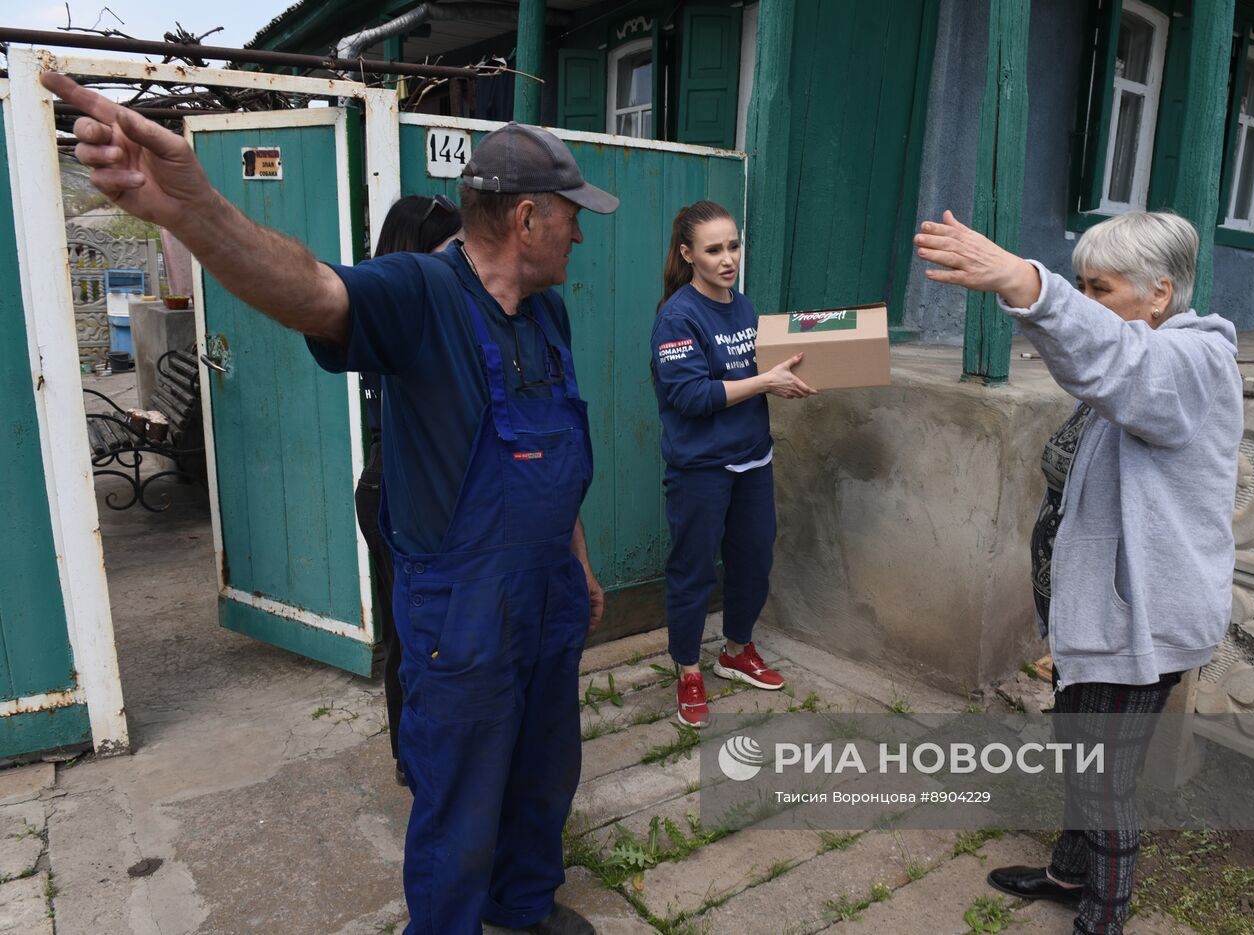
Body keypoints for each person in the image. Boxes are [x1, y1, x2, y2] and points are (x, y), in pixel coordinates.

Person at [44, 69, 616, 935]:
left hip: (545, 591)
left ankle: (523, 903)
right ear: (528, 217)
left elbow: (558, 456)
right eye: (571, 212)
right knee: (458, 800)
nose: (581, 230)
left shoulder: (548, 317)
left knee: (544, 771)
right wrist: (189, 209)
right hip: (460, 608)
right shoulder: (421, 293)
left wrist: (576, 559)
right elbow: (310, 289)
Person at [914, 210, 1243, 935]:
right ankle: (1070, 870)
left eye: (1100, 288)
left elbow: (1123, 369)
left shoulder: (1192, 361)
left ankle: (1103, 917)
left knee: (1104, 783)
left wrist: (1030, 285)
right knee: (1079, 753)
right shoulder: (1144, 346)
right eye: (1082, 287)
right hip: (1090, 615)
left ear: (1159, 294)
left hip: (1137, 621)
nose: (1088, 301)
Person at [650, 200, 816, 728]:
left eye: (734, 246)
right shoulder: (677, 317)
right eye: (714, 249)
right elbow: (692, 397)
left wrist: (781, 380)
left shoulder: (743, 307)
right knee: (693, 572)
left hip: (753, 460)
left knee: (752, 562)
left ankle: (735, 650)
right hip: (701, 469)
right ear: (687, 254)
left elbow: (751, 375)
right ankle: (687, 669)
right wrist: (765, 382)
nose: (728, 259)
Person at [355, 194, 464, 787]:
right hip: (393, 494)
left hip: (403, 490)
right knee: (414, 635)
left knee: (418, 632)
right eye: (453, 249)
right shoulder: (397, 324)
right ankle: (413, 759)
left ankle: (417, 754)